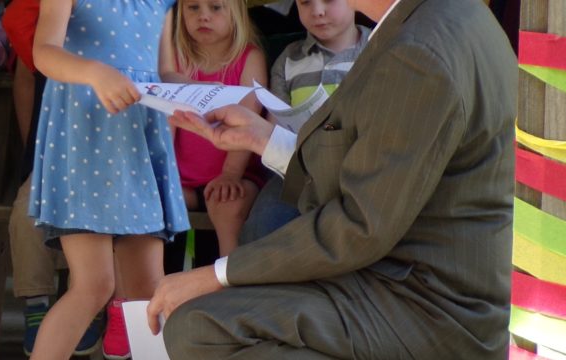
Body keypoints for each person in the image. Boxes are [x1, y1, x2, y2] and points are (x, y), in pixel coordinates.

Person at [150, 0, 517, 358]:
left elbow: (360, 224)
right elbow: (375, 172)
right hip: (407, 285)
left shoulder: (418, 50)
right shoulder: (451, 15)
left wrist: (217, 274)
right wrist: (263, 138)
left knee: (197, 327)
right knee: (201, 321)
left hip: (424, 309)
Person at [27, 0, 189, 359]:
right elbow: (44, 51)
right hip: (84, 145)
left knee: (150, 288)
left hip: (138, 148)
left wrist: (196, 97)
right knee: (93, 285)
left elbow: (165, 70)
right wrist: (94, 72)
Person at [2, 0, 103, 356]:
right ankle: (36, 307)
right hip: (57, 151)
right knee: (27, 211)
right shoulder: (42, 19)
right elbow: (28, 78)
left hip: (112, 158)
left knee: (96, 220)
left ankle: (89, 307)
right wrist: (36, 153)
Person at [241, 0, 371, 243]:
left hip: (360, 171)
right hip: (297, 170)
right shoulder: (289, 60)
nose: (317, 11)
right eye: (305, 2)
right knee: (260, 231)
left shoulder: (380, 49)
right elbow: (274, 126)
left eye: (329, 0)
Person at [161, 0, 267, 258]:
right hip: (183, 178)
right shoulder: (176, 60)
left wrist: (230, 174)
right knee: (155, 201)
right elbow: (168, 125)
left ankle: (227, 284)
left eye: (215, 7)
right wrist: (165, 175)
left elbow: (248, 123)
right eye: (193, 8)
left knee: (229, 208)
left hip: (236, 174)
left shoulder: (250, 58)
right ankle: (155, 284)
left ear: (236, 14)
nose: (203, 16)